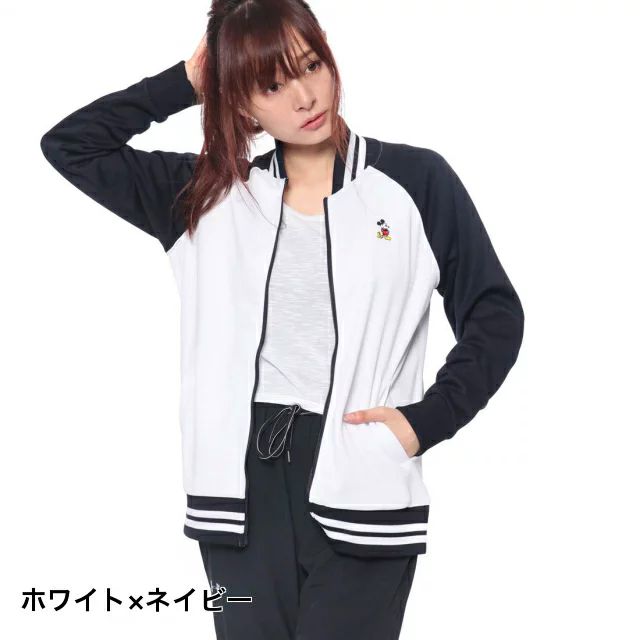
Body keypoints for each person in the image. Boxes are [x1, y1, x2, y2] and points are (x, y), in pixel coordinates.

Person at [40, 0, 525, 637]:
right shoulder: (207, 195)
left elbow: (494, 313)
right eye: (271, 85)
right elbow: (71, 146)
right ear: (241, 104)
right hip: (237, 494)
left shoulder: (414, 182)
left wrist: (424, 422)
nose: (304, 97)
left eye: (311, 65)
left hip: (364, 474)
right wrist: (186, 82)